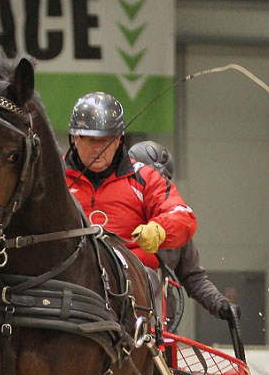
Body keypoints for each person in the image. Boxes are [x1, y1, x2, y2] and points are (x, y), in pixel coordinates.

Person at [64, 92, 197, 270]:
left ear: (118, 140)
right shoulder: (53, 176)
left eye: (104, 141)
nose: (97, 149)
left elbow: (183, 215)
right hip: (67, 277)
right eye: (90, 140)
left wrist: (159, 230)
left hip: (132, 281)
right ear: (75, 139)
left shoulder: (144, 178)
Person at [128, 140, 237, 320]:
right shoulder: (118, 213)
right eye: (149, 178)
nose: (155, 186)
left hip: (161, 321)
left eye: (162, 180)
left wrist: (220, 304)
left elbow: (193, 276)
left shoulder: (176, 223)